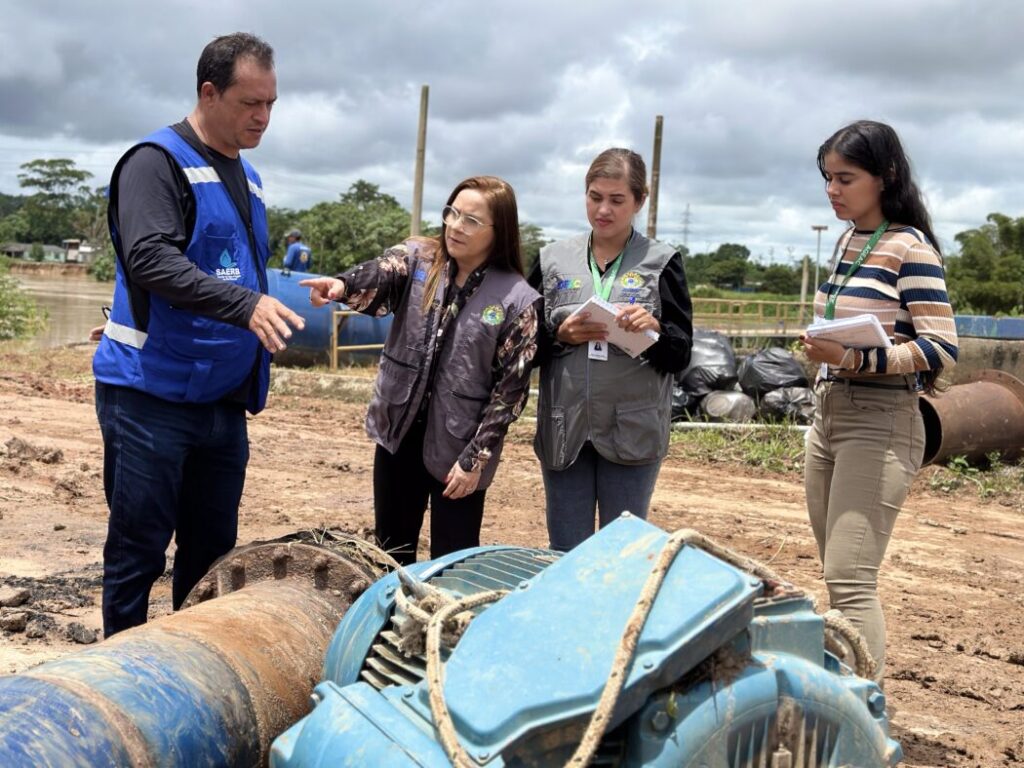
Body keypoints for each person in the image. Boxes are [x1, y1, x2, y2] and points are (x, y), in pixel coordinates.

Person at [92, 33, 304, 637]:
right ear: (208, 93)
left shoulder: (251, 178)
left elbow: (239, 265)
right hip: (150, 400)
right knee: (138, 551)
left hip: (220, 405)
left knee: (212, 555)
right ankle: (126, 677)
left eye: (271, 104)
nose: (263, 117)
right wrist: (245, 307)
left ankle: (189, 674)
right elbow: (151, 260)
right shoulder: (154, 163)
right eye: (249, 103)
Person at [301, 176, 540, 564]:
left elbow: (509, 393)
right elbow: (381, 272)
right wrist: (342, 285)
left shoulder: (517, 299)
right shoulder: (419, 259)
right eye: (452, 213)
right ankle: (392, 625)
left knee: (453, 562)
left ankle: (445, 626)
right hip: (399, 433)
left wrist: (474, 459)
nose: (455, 226)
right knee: (390, 556)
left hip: (459, 448)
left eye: (471, 220)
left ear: (500, 231)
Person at [800, 120, 959, 680]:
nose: (832, 190)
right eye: (827, 178)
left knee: (849, 581)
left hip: (881, 420)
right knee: (835, 572)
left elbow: (941, 347)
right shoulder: (846, 242)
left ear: (885, 176)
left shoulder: (910, 249)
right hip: (830, 415)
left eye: (845, 178)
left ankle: (862, 714)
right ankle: (846, 699)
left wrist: (856, 360)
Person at [531, 148, 693, 552]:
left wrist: (654, 329)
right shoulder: (551, 260)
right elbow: (521, 346)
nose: (603, 210)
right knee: (566, 550)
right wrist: (559, 336)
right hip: (565, 426)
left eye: (617, 200)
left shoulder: (663, 262)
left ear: (640, 200)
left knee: (623, 553)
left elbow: (681, 353)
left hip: (631, 430)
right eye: (594, 196)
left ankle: (621, 618)